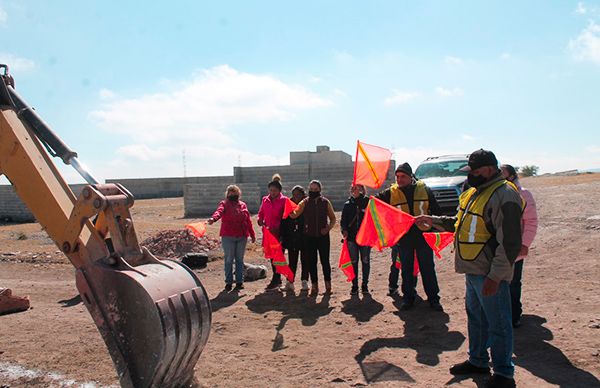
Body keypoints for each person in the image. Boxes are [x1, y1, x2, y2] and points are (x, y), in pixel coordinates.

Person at [416, 149, 523, 388]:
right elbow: (459, 223)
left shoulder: (505, 195)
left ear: (489, 169)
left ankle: (504, 374)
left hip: (489, 273)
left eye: (474, 171)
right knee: (476, 319)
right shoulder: (473, 192)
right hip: (472, 270)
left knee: (499, 323)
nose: (470, 175)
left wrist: (495, 277)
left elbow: (510, 242)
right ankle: (478, 361)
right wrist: (432, 221)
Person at [376, 162, 443, 311]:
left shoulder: (424, 189)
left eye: (403, 176)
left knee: (427, 268)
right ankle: (408, 298)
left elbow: (436, 210)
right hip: (404, 238)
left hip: (423, 236)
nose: (399, 179)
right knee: (406, 269)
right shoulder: (390, 192)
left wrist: (433, 228)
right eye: (397, 177)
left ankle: (434, 299)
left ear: (410, 176)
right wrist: (360, 197)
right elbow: (374, 204)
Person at [501, 164, 538, 328]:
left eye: (504, 175)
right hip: (496, 250)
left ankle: (514, 315)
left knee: (514, 283)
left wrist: (524, 244)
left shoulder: (524, 195)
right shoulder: (494, 194)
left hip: (515, 249)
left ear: (512, 176)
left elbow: (531, 221)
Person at [289, 180, 336, 295]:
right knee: (312, 262)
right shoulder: (304, 202)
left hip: (323, 237)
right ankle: (314, 286)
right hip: (309, 237)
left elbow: (333, 219)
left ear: (320, 190)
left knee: (325, 261)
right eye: (311, 189)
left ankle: (328, 285)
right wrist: (286, 207)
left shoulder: (325, 202)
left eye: (316, 189)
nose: (313, 191)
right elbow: (294, 214)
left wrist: (327, 229)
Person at [208, 185, 256, 291]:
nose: (233, 194)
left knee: (239, 260)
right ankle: (228, 282)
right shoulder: (224, 204)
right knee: (229, 259)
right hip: (228, 236)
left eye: (235, 192)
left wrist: (252, 234)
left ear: (239, 193)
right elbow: (219, 212)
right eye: (231, 192)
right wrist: (213, 218)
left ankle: (239, 282)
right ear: (227, 193)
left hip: (242, 236)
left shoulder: (243, 205)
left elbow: (248, 220)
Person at [340, 184, 371, 295]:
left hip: (365, 239)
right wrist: (344, 230)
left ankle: (365, 285)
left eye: (357, 188)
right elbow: (343, 221)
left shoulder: (368, 203)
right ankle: (354, 285)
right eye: (353, 188)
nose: (355, 190)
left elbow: (373, 219)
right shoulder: (347, 205)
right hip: (352, 238)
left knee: (365, 261)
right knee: (354, 262)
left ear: (363, 189)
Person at [258, 176, 287, 291]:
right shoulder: (265, 199)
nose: (272, 192)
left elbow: (287, 217)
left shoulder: (284, 200)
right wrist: (260, 219)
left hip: (279, 233)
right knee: (272, 257)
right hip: (268, 233)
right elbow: (261, 212)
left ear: (279, 191)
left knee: (278, 256)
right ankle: (277, 278)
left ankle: (276, 278)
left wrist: (283, 233)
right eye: (270, 190)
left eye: (274, 190)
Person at [280, 185, 309, 292]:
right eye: (294, 195)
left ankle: (304, 281)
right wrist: (283, 236)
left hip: (305, 237)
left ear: (303, 195)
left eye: (298, 195)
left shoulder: (306, 204)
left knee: (305, 260)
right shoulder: (288, 205)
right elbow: (284, 222)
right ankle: (290, 282)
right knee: (292, 261)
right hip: (292, 238)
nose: (296, 197)